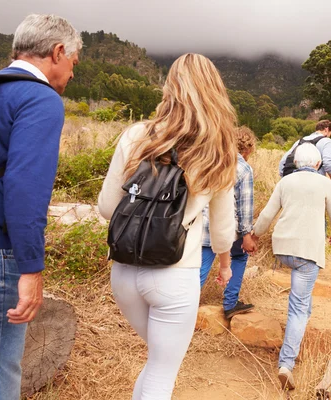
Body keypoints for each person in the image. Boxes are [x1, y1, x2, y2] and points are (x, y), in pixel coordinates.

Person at [98, 53, 238, 400]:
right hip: (174, 274)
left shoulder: (136, 135)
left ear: (169, 87)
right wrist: (223, 264)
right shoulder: (217, 147)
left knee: (157, 363)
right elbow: (222, 230)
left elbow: (105, 207)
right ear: (214, 91)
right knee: (162, 371)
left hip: (125, 272)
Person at [0, 14, 81, 400]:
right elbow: (24, 190)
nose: (72, 74)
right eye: (73, 62)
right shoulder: (39, 100)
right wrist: (31, 268)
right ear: (57, 52)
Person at [253, 143, 331, 391]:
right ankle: (286, 363)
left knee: (303, 304)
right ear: (317, 164)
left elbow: (266, 214)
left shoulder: (285, 182)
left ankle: (299, 334)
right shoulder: (325, 183)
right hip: (307, 252)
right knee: (298, 307)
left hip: (282, 249)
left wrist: (254, 235)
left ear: (296, 163)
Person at [200, 126, 257, 319]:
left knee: (199, 269)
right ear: (248, 149)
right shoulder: (243, 168)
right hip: (226, 225)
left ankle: (181, 307)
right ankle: (230, 302)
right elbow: (245, 206)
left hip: (202, 224)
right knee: (239, 256)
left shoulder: (209, 161)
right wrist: (247, 234)